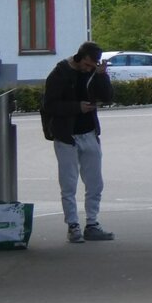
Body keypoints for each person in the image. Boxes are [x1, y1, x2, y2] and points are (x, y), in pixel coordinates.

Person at [43, 41, 115, 243]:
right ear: (81, 58)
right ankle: (73, 226)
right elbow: (49, 105)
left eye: (94, 66)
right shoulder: (60, 74)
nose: (90, 68)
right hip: (66, 136)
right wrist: (77, 107)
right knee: (69, 183)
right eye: (89, 64)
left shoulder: (93, 73)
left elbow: (108, 97)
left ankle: (92, 223)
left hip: (89, 132)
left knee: (95, 182)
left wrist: (101, 76)